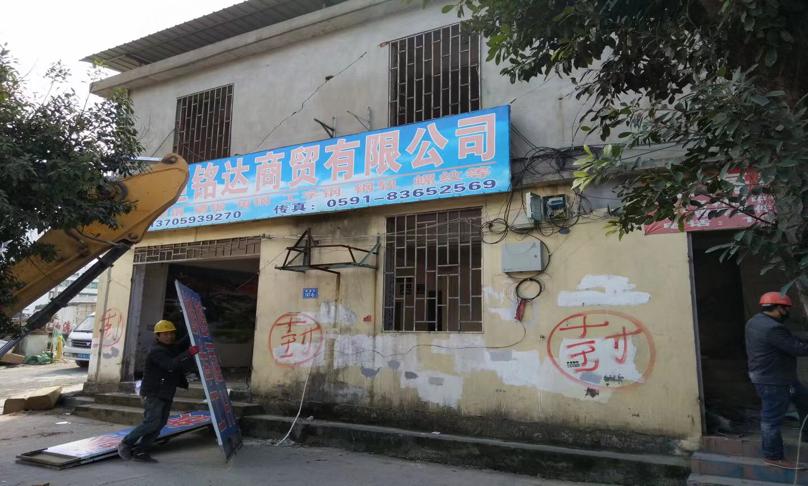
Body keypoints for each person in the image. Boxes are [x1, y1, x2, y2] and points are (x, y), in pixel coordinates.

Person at [117, 319, 198, 462]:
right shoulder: (157, 351)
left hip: (166, 392)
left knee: (160, 423)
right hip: (154, 392)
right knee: (152, 422)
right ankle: (126, 443)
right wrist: (189, 353)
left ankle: (141, 451)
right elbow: (170, 365)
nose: (169, 336)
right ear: (157, 336)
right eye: (165, 334)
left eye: (171, 333)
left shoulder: (170, 347)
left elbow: (182, 343)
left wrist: (195, 330)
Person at [746, 291, 808, 470]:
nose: (788, 312)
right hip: (774, 381)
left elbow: (788, 339)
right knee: (771, 419)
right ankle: (773, 456)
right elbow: (797, 348)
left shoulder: (755, 321)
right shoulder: (773, 328)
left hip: (772, 377)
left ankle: (806, 434)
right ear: (780, 308)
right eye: (787, 309)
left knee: (805, 400)